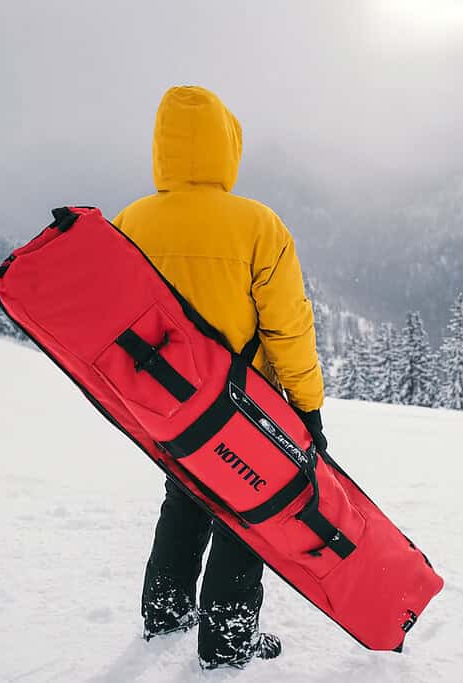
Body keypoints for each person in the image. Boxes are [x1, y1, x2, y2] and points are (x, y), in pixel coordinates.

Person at [113, 85, 328, 670]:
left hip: (164, 405)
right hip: (242, 408)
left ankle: (164, 613)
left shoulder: (130, 221)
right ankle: (227, 642)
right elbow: (287, 329)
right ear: (226, 147)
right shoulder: (258, 226)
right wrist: (307, 408)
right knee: (245, 519)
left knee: (184, 499)